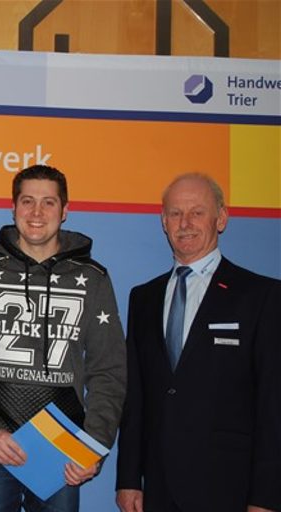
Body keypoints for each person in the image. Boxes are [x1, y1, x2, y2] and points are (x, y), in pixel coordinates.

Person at [0, 164, 127, 512]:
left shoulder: (93, 279)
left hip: (61, 452)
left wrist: (92, 445)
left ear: (65, 210)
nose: (37, 213)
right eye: (27, 201)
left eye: (48, 202)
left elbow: (109, 371)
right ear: (13, 208)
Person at [116, 173, 281, 512]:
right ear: (163, 222)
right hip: (158, 488)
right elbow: (136, 397)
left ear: (221, 218)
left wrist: (266, 497)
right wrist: (129, 478)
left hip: (229, 487)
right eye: (175, 213)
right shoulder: (143, 298)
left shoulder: (261, 296)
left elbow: (272, 403)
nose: (185, 223)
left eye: (197, 212)